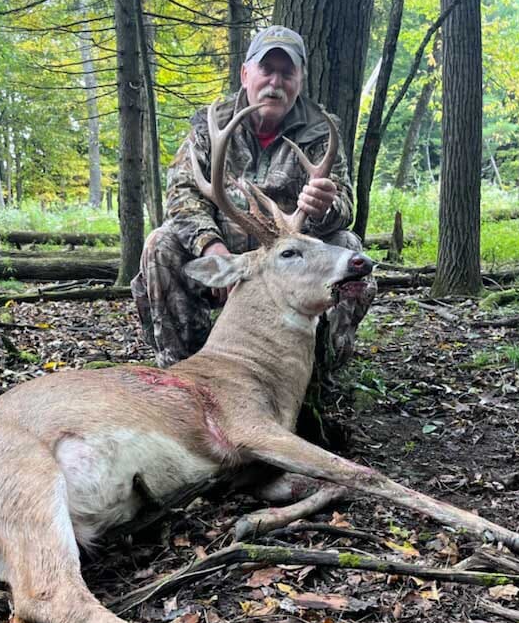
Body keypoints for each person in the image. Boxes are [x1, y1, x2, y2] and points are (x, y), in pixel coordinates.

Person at [131, 25, 376, 378]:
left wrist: (324, 207)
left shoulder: (322, 131)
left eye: (286, 72)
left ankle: (317, 375)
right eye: (267, 70)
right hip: (227, 250)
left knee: (348, 247)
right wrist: (212, 249)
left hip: (292, 261)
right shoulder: (210, 126)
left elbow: (344, 209)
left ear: (300, 80)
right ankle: (185, 374)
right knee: (161, 244)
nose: (275, 82)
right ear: (246, 73)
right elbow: (182, 195)